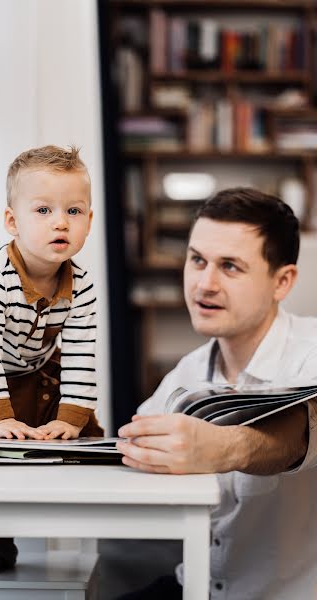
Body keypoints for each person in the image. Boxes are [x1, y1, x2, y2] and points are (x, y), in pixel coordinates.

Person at [116, 187, 317, 600]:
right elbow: (127, 455)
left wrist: (226, 447)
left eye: (230, 266)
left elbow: (306, 431)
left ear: (282, 281)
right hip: (194, 587)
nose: (204, 284)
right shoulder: (185, 374)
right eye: (197, 260)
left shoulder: (311, 351)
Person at [0, 144, 102, 576]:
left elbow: (82, 352)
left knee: (81, 436)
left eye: (74, 211)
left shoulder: (81, 283)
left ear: (89, 220)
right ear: (13, 221)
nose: (60, 222)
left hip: (39, 368)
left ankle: (96, 508)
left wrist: (72, 417)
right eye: (44, 210)